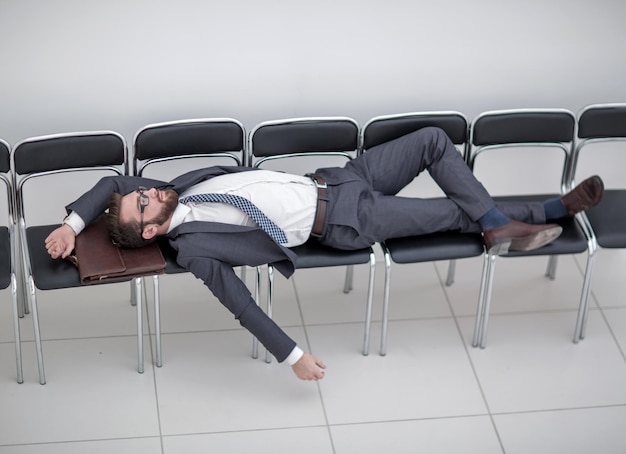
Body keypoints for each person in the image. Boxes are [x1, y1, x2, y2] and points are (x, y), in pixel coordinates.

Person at [44, 127, 604, 381]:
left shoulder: (180, 187)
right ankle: (547, 212)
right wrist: (293, 358)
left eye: (144, 191)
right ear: (149, 233)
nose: (149, 190)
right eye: (144, 203)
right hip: (341, 220)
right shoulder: (195, 251)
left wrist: (73, 223)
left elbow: (113, 179)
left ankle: (500, 226)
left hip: (339, 180)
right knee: (450, 213)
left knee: (434, 139)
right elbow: (243, 307)